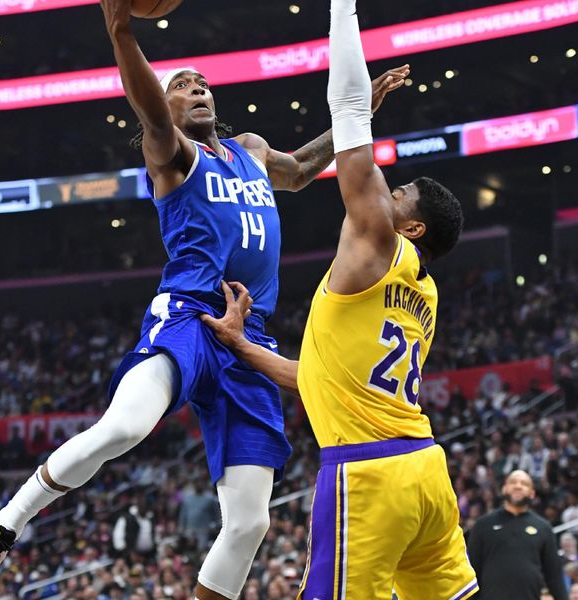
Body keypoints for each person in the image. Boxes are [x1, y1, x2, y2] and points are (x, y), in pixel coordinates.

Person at [0, 0, 409, 598]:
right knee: (125, 427)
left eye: (202, 84)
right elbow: (148, 109)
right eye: (181, 87)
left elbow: (298, 172)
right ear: (162, 108)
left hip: (251, 337)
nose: (196, 90)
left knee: (251, 521)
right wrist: (120, 31)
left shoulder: (252, 150)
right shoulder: (171, 156)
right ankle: (1, 527)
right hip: (189, 316)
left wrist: (358, 116)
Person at [200, 1, 475, 597]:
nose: (386, 192)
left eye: (399, 193)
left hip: (368, 474)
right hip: (426, 471)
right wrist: (242, 345)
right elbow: (318, 379)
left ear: (413, 226)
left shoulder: (380, 241)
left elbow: (348, 109)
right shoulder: (423, 296)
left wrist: (343, 9)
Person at [466, 470, 567, 600]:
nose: (518, 486)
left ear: (532, 493)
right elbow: (471, 571)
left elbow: (554, 576)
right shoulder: (482, 525)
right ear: (504, 489)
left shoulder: (544, 528)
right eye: (513, 482)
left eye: (524, 483)